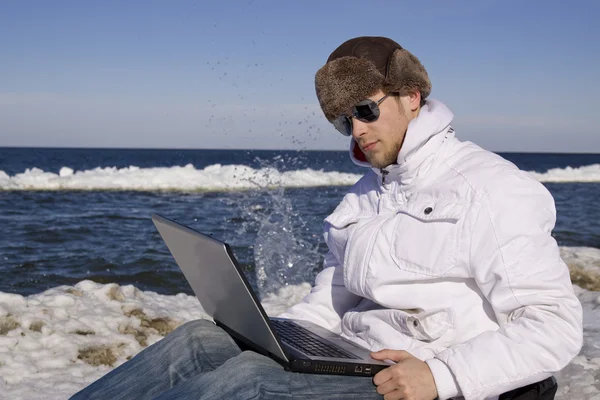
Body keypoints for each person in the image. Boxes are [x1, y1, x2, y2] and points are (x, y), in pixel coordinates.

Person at [71, 36, 583, 400]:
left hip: (419, 377)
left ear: (411, 98)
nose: (356, 129)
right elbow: (333, 297)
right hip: (354, 354)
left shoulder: (491, 187)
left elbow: (552, 328)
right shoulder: (366, 194)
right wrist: (284, 337)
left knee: (240, 385)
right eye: (343, 120)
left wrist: (442, 376)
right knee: (198, 340)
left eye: (365, 109)